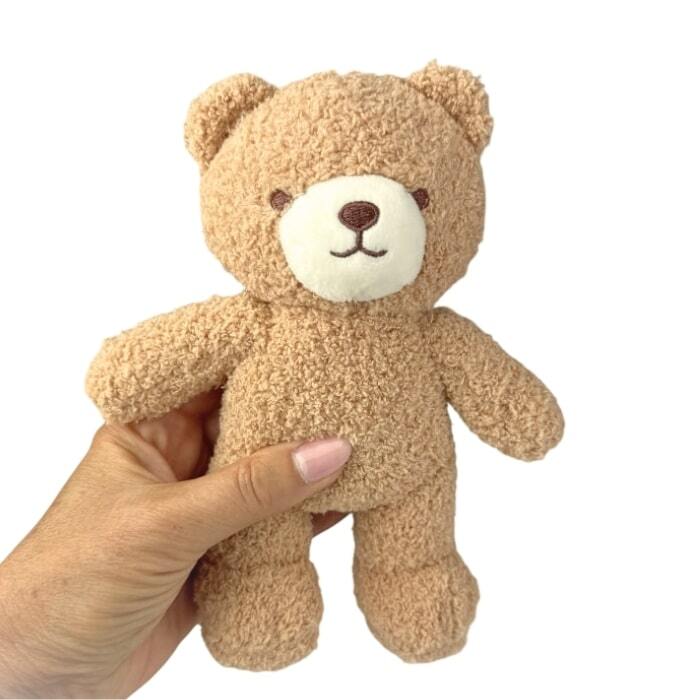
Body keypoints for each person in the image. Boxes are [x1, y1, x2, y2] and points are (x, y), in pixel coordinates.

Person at [0, 390, 352, 698]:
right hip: (269, 463)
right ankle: (256, 617)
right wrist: (18, 664)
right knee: (260, 537)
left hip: (383, 474)